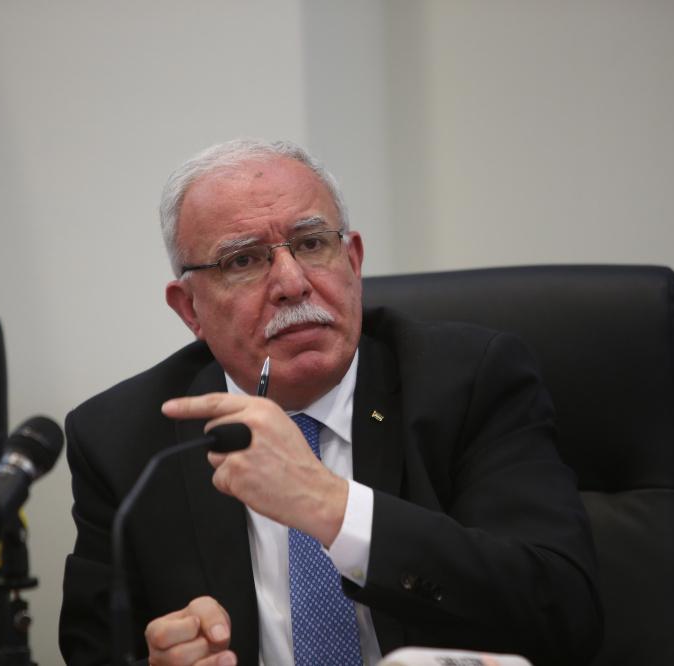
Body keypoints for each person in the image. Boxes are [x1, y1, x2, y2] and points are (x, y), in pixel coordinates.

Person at [60, 139, 603, 666]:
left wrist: (332, 507)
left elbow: (562, 612)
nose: (292, 283)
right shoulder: (123, 440)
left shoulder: (469, 383)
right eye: (243, 260)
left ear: (354, 261)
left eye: (312, 244)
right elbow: (95, 651)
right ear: (190, 310)